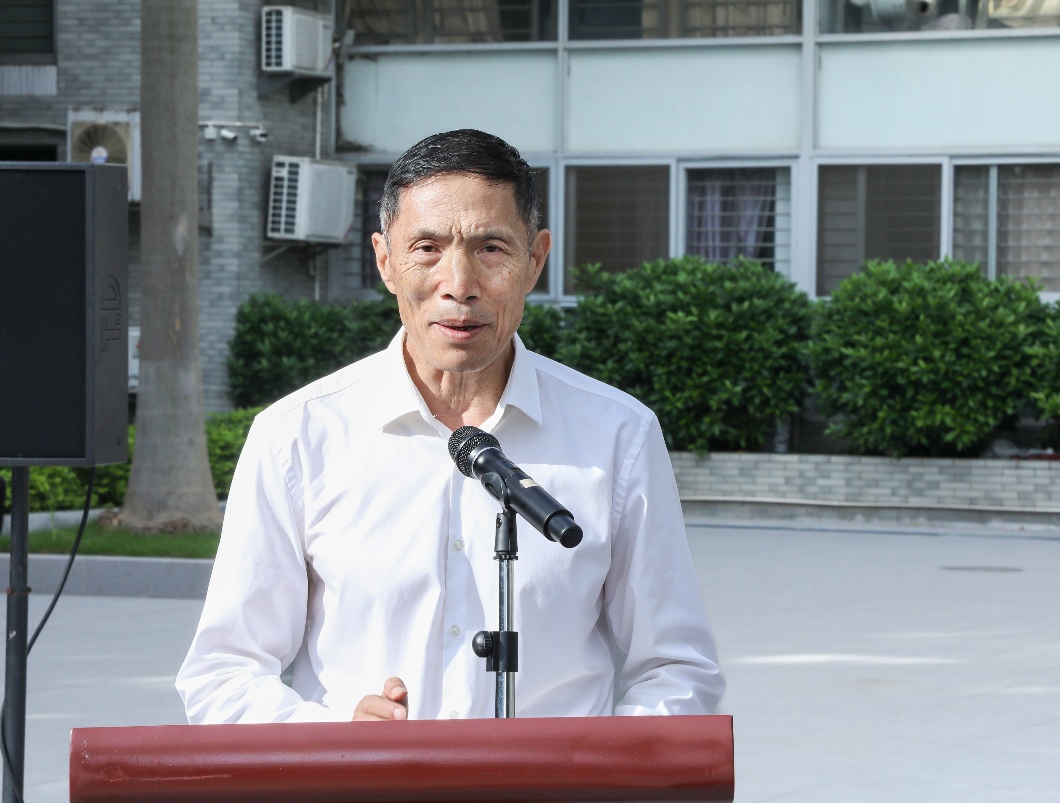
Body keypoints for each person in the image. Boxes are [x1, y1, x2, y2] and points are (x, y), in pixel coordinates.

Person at [177, 129, 723, 723]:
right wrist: (335, 738)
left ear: (536, 260)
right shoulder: (297, 437)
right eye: (427, 248)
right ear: (385, 261)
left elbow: (677, 668)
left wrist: (584, 766)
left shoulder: (618, 435)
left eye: (491, 248)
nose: (459, 285)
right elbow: (223, 673)